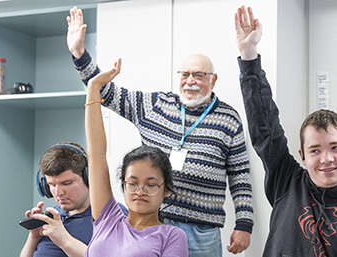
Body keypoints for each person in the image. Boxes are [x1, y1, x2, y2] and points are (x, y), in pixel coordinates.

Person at [65, 7, 253, 255]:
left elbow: (240, 176)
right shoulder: (155, 105)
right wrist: (79, 53)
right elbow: (106, 93)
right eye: (185, 74)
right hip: (152, 218)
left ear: (213, 79)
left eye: (198, 75)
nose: (190, 80)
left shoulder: (228, 118)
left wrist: (244, 223)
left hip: (202, 229)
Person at [234, 6, 337, 256]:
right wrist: (249, 57)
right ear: (303, 155)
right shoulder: (287, 183)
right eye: (315, 150)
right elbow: (264, 127)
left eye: (335, 147)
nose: (326, 159)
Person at [83, 58, 188, 256]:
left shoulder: (172, 236)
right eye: (132, 183)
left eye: (150, 184)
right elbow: (96, 153)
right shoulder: (108, 219)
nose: (140, 191)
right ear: (123, 185)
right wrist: (94, 86)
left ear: (166, 190)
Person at [20, 143, 93, 257]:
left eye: (66, 183)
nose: (58, 193)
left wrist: (64, 239)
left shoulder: (110, 215)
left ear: (88, 178)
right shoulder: (52, 216)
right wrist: (34, 236)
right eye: (52, 185)